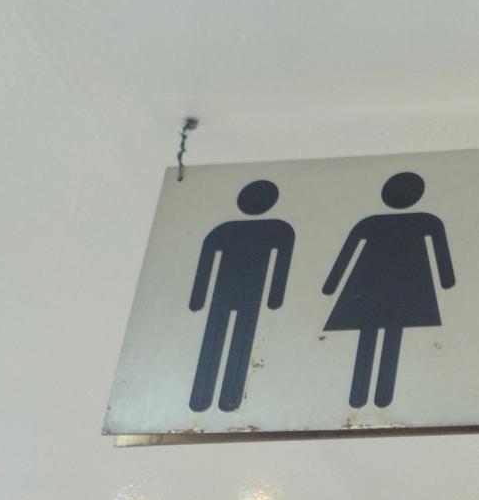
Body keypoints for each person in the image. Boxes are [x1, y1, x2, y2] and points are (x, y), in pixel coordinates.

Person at [321, 172, 455, 408]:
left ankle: (369, 396)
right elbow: (441, 256)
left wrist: (331, 286)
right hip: (400, 285)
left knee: (375, 333)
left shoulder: (373, 222)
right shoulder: (425, 221)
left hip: (377, 285)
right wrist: (446, 280)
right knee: (386, 333)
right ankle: (371, 396)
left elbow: (346, 256)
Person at [188, 179, 295, 412]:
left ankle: (218, 398)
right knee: (228, 340)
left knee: (231, 341)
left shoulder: (232, 230)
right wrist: (274, 297)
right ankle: (213, 398)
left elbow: (281, 263)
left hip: (239, 295)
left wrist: (198, 299)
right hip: (241, 295)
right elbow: (207, 262)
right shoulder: (275, 229)